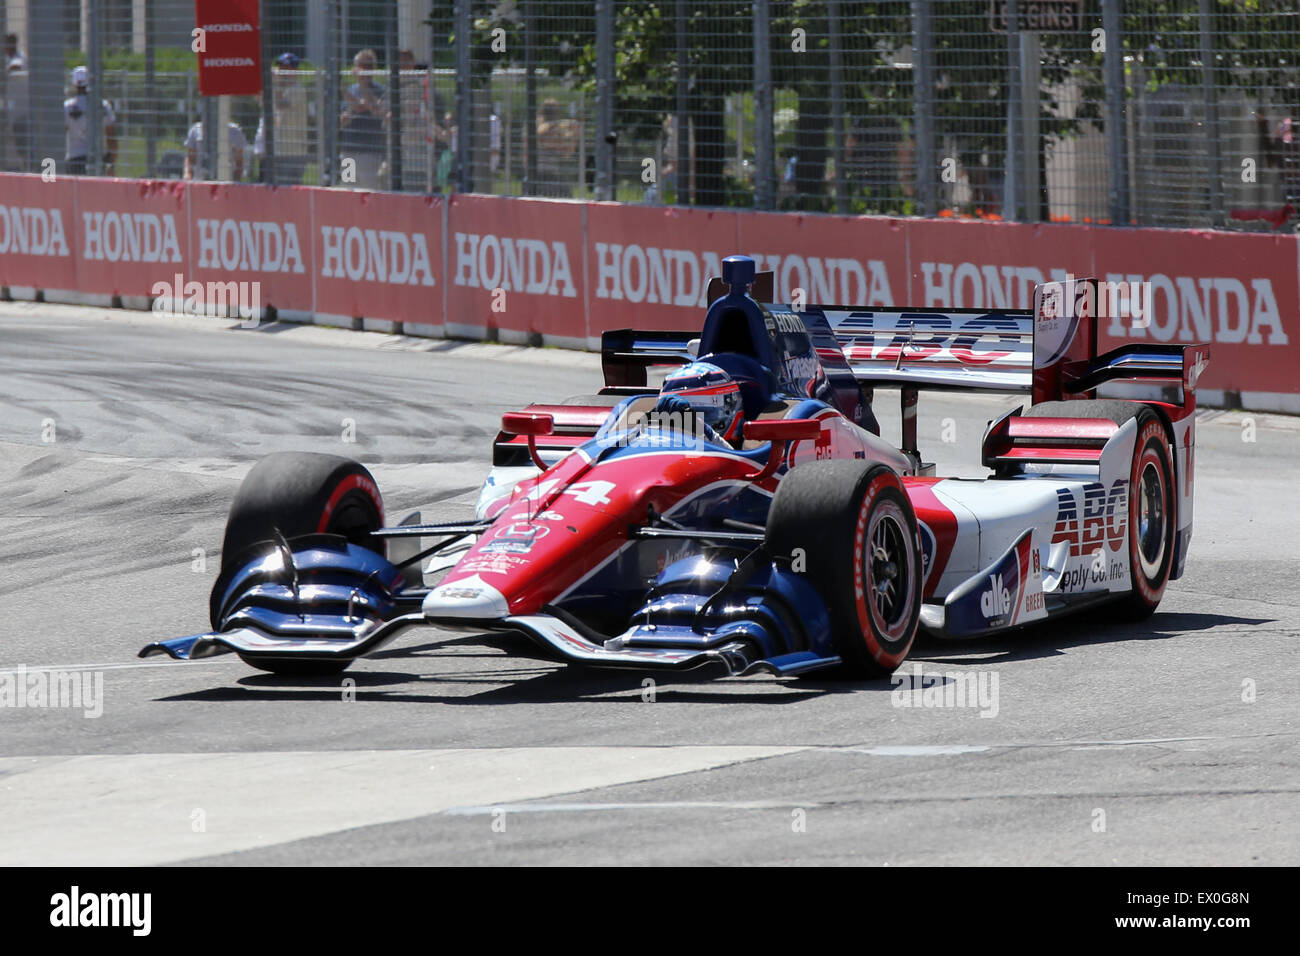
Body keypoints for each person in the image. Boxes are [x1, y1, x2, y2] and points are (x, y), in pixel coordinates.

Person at [656, 362, 746, 446]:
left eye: (701, 414)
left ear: (729, 409)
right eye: (675, 418)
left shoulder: (743, 461)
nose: (686, 425)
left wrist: (705, 431)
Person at [253, 51, 310, 185]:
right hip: (272, 149)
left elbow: (280, 105)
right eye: (280, 67)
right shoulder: (277, 89)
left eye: (286, 68)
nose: (282, 72)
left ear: (294, 71)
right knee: (267, 189)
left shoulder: (297, 89)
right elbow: (259, 100)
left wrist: (275, 84)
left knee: (288, 192)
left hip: (291, 152)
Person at [339, 48, 389, 190]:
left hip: (370, 153)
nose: (364, 70)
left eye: (368, 66)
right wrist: (345, 118)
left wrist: (364, 86)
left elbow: (373, 108)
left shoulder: (381, 90)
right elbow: (349, 112)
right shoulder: (351, 89)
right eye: (361, 65)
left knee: (370, 193)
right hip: (349, 152)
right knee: (348, 191)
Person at [63, 66, 117, 175]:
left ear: (74, 84)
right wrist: (111, 163)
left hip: (74, 158)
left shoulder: (67, 107)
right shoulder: (102, 106)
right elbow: (111, 138)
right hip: (97, 158)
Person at [535, 98, 578, 197]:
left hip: (552, 172)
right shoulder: (538, 125)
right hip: (539, 172)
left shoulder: (558, 128)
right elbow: (543, 136)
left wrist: (573, 135)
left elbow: (567, 153)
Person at [184, 118, 248, 181]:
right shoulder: (196, 129)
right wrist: (187, 174)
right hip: (200, 180)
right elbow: (190, 157)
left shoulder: (235, 131)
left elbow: (239, 160)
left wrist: (237, 180)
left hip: (226, 180)